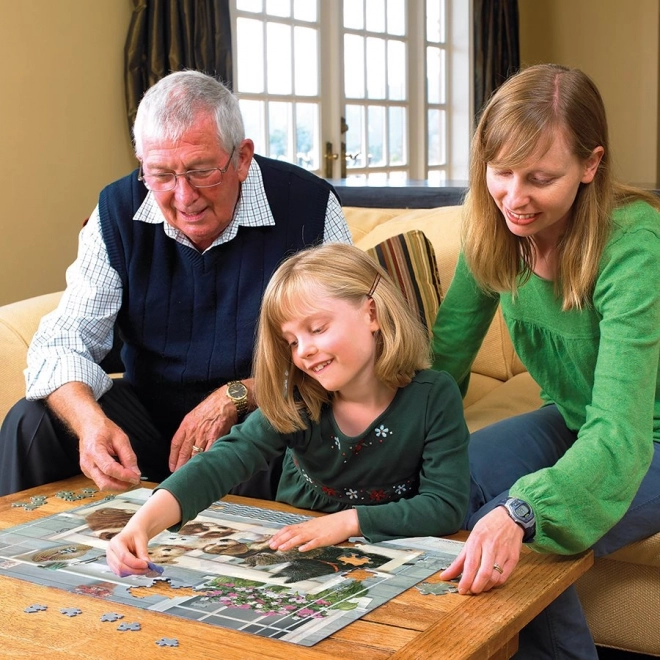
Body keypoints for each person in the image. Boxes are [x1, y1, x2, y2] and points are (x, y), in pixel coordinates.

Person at [0, 70, 352, 497]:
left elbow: (346, 347)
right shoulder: (116, 209)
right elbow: (63, 340)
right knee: (31, 421)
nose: (183, 197)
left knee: (282, 432)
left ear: (241, 158)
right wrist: (90, 423)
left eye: (202, 171)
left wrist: (239, 395)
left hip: (261, 413)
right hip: (151, 421)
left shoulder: (308, 205)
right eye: (161, 175)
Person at [431, 63, 660, 659]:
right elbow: (445, 357)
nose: (514, 197)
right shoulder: (492, 226)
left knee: (522, 542)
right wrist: (384, 441)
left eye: (540, 177)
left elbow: (619, 431)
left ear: (590, 166)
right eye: (501, 172)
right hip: (576, 421)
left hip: (642, 439)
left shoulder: (633, 247)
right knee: (442, 490)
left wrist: (526, 509)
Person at [105, 243, 470, 576]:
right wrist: (141, 524)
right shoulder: (300, 397)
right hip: (294, 538)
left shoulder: (434, 395)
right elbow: (222, 462)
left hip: (388, 546)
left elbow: (445, 506)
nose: (304, 351)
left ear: (371, 314)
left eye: (317, 328)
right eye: (292, 341)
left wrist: (346, 523)